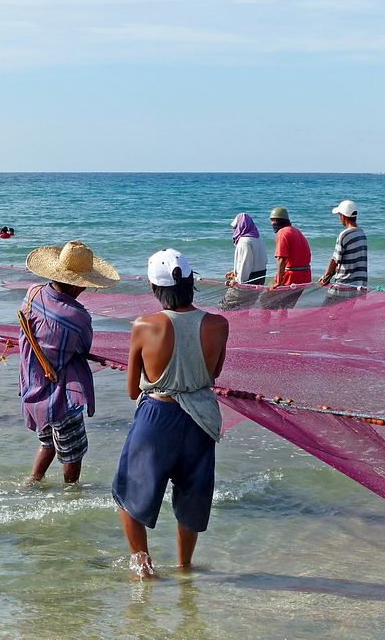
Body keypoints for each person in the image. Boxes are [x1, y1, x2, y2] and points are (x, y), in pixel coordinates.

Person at [113, 249, 229, 579]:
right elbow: (214, 373)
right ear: (192, 282)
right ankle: (184, 568)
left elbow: (134, 391)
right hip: (201, 421)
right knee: (190, 500)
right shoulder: (219, 324)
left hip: (157, 417)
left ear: (154, 289)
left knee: (128, 494)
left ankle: (143, 566)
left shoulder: (144, 325)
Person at [19, 240, 120, 483]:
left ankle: (32, 481)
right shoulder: (78, 317)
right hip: (60, 395)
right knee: (72, 454)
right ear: (78, 284)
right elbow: (83, 348)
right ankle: (71, 494)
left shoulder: (33, 293)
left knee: (47, 443)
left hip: (33, 387)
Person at [317, 200, 368, 300]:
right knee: (346, 314)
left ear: (343, 216)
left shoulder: (344, 235)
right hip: (358, 286)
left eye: (339, 215)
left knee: (327, 313)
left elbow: (335, 260)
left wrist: (325, 277)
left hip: (343, 285)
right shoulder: (362, 234)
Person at [268, 207, 311, 289]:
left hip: (291, 277)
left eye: (272, 220)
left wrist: (278, 282)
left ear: (277, 221)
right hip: (305, 276)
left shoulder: (282, 233)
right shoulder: (296, 231)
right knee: (291, 301)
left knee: (266, 297)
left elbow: (281, 259)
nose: (271, 223)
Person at [226, 213, 268, 286]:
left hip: (249, 280)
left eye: (236, 226)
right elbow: (259, 261)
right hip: (260, 278)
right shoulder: (258, 238)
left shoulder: (244, 241)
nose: (234, 229)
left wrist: (238, 280)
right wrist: (235, 271)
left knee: (229, 298)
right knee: (253, 297)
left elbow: (246, 263)